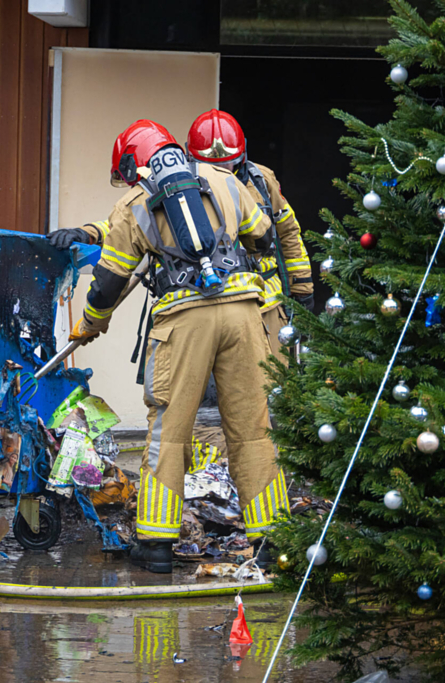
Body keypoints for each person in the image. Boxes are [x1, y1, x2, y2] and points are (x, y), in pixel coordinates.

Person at [68, 119, 290, 573]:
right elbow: (265, 236)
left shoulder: (134, 203)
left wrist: (90, 323)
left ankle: (155, 546)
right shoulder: (223, 181)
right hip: (245, 312)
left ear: (135, 162)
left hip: (184, 321)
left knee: (168, 434)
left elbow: (110, 281)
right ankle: (271, 539)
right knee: (252, 428)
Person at [186, 109, 314, 357]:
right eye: (210, 166)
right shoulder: (180, 188)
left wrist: (302, 289)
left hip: (265, 304)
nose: (219, 173)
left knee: (273, 386)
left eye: (226, 164)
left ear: (242, 156)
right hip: (203, 305)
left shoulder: (261, 180)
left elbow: (287, 233)